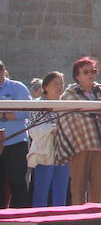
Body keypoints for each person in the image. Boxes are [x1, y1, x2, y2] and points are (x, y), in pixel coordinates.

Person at [54, 56, 101, 205]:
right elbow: (64, 121)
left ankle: (93, 222)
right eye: (86, 72)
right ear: (77, 76)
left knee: (98, 188)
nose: (90, 75)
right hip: (79, 146)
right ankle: (77, 222)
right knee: (78, 187)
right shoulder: (69, 95)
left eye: (93, 71)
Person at [27, 72, 70, 207]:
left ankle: (58, 223)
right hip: (44, 152)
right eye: (55, 84)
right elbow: (33, 129)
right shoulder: (37, 105)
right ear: (45, 86)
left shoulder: (67, 104)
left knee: (60, 189)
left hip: (63, 152)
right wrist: (53, 128)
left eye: (61, 83)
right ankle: (39, 223)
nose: (59, 87)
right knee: (41, 189)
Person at [0, 60, 31, 210]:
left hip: (15, 142)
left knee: (17, 180)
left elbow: (29, 110)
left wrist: (5, 115)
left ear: (4, 71)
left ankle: (22, 222)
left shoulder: (17, 87)